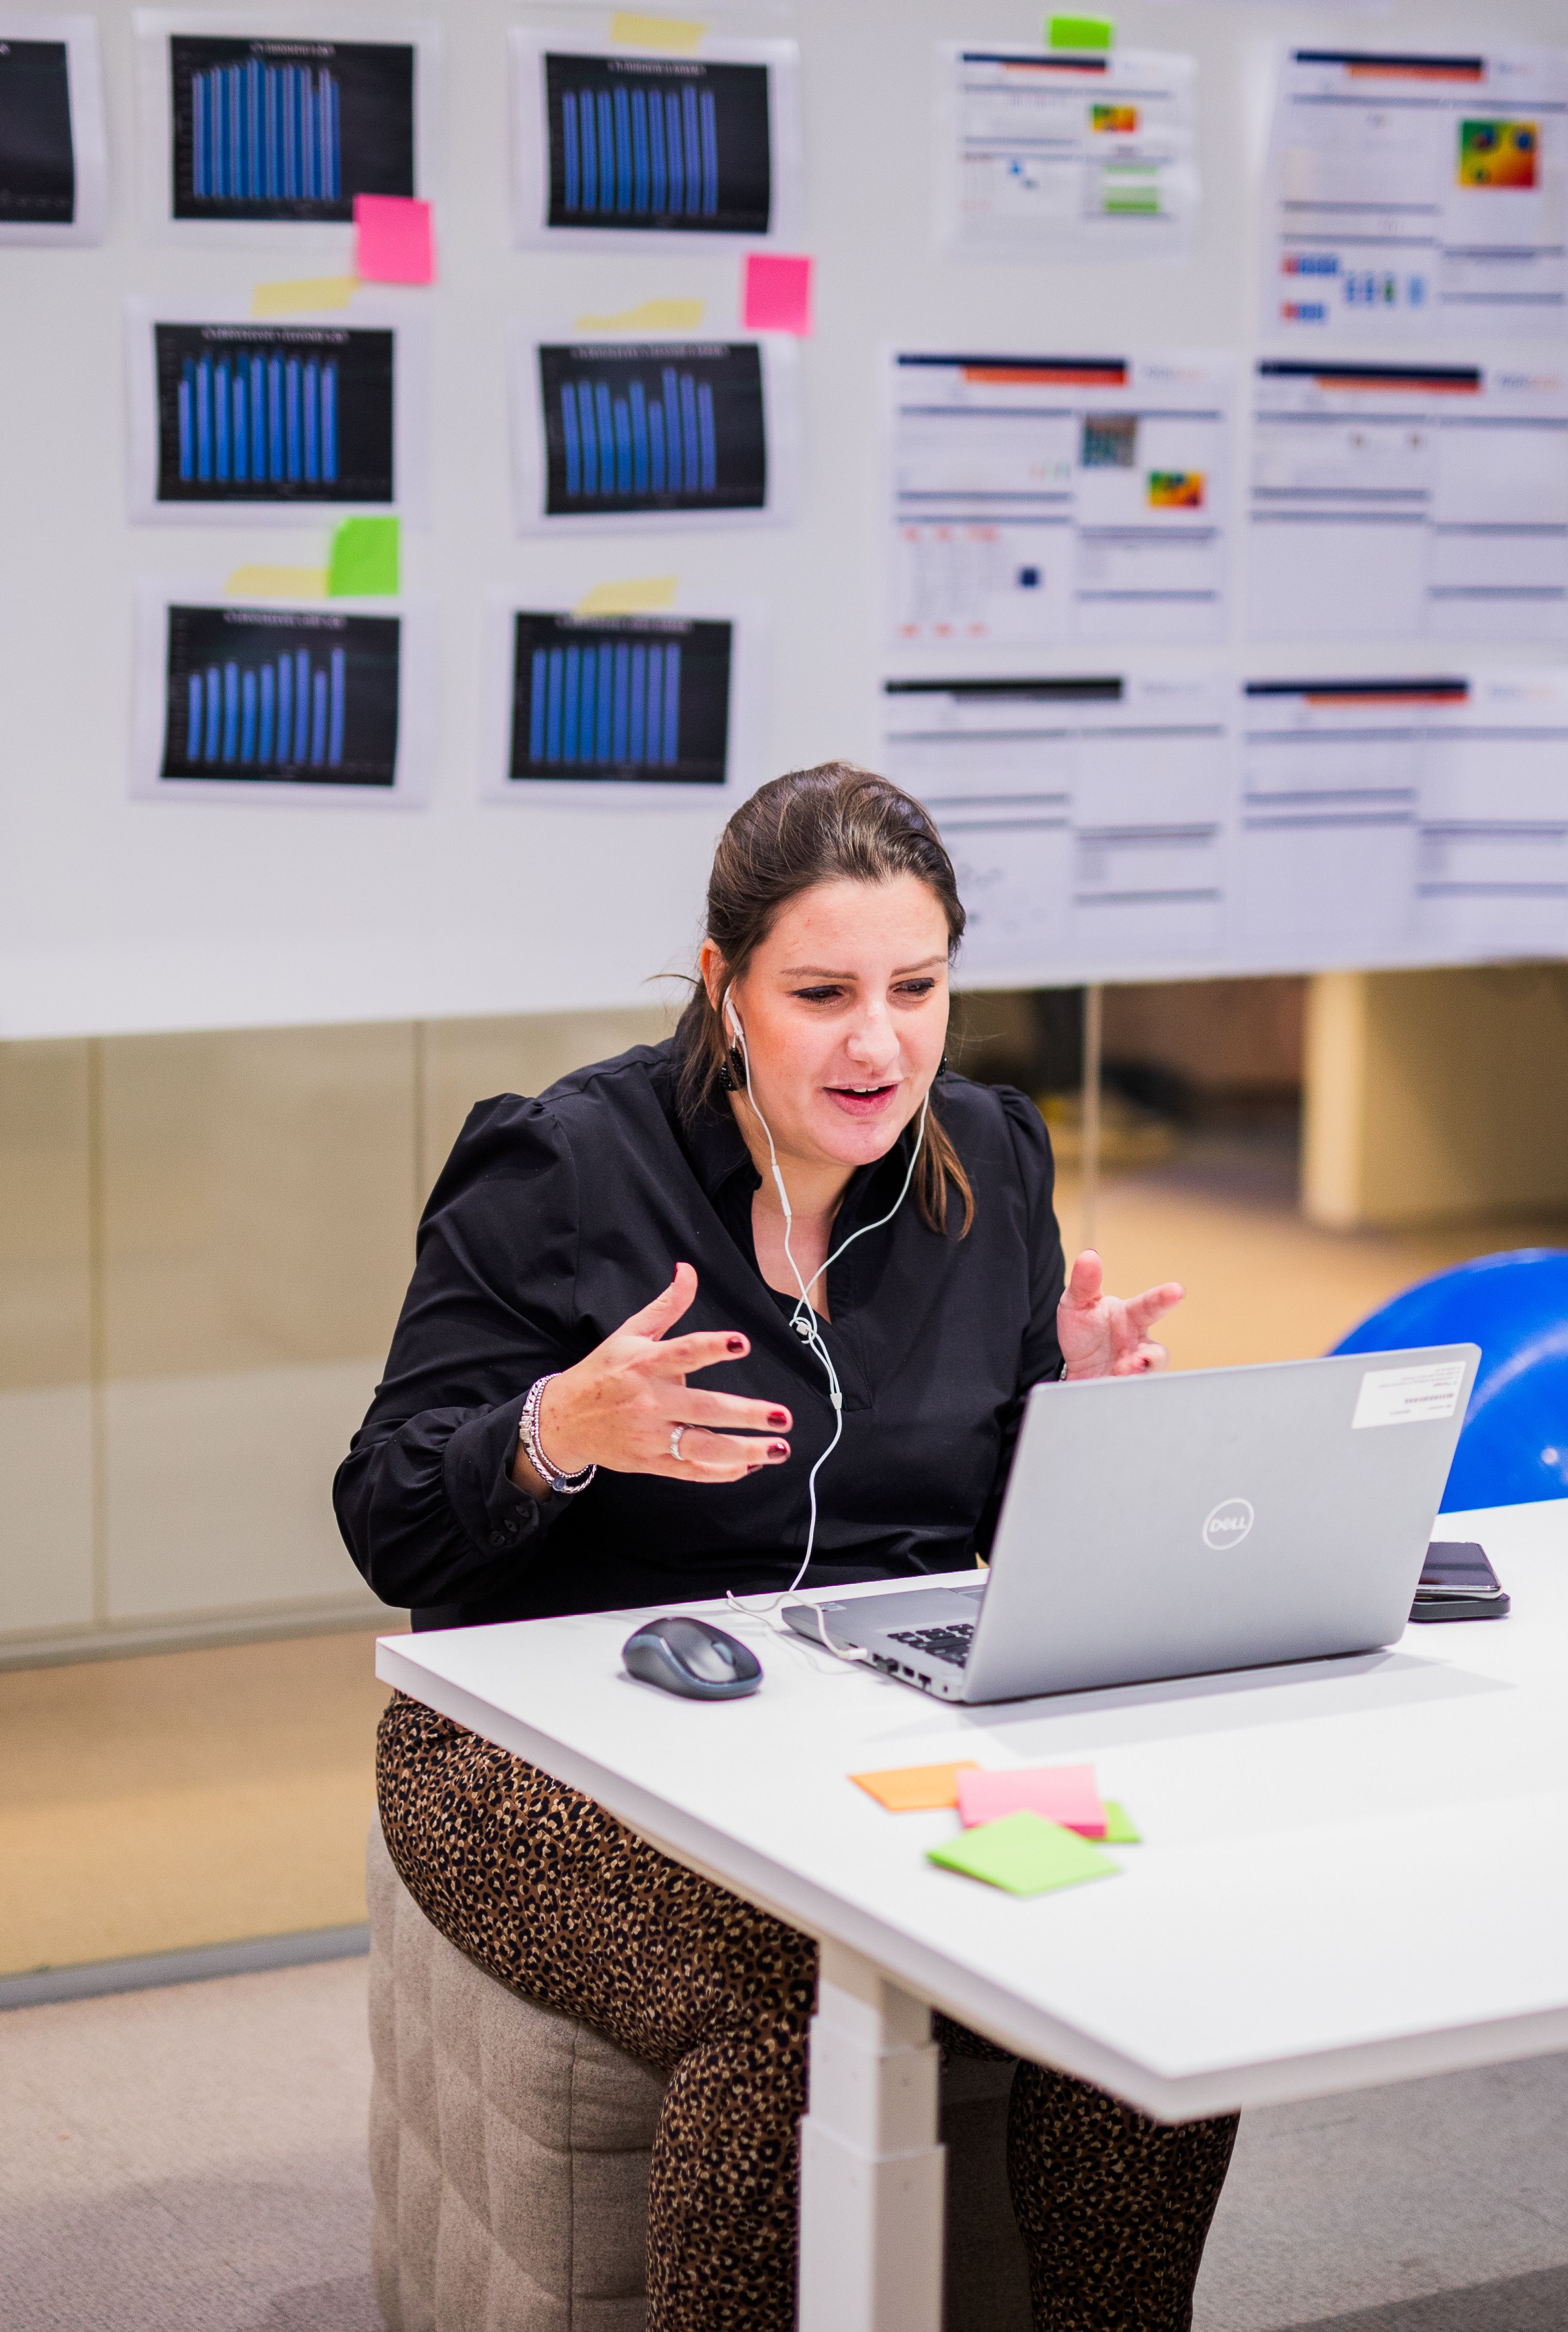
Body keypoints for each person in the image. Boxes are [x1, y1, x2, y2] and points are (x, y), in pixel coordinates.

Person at [338, 762, 1236, 2332]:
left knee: (1147, 1949)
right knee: (789, 2026)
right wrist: (557, 1429)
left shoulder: (990, 1162)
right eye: (822, 992)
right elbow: (386, 1509)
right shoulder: (563, 1168)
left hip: (876, 1716)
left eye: (918, 987)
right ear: (724, 988)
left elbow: (997, 1529)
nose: (878, 1042)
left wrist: (1070, 1413)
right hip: (536, 1743)